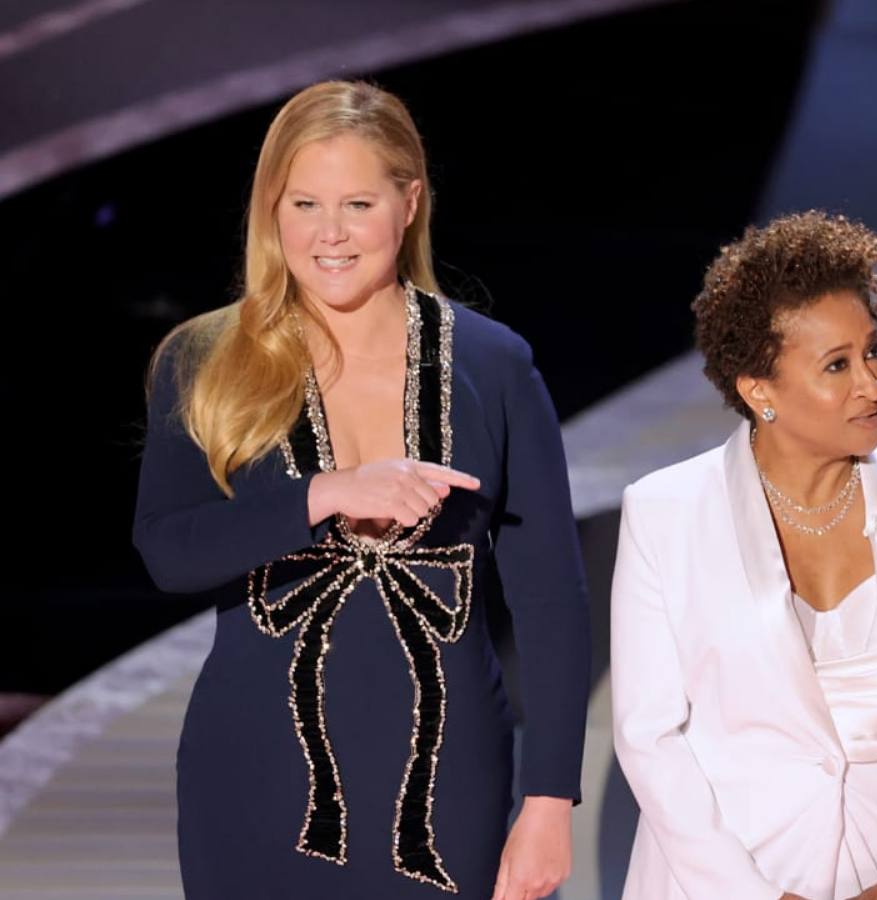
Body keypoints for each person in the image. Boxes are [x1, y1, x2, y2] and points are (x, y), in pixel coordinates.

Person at [132, 81, 588, 899]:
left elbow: (551, 598)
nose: (330, 234)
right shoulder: (203, 360)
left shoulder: (493, 366)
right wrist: (323, 493)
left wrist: (550, 798)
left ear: (409, 204)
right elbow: (169, 550)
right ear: (271, 210)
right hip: (249, 776)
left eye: (357, 203)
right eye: (304, 203)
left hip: (448, 787)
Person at [610, 211, 877, 900]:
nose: (872, 382)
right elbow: (648, 737)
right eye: (837, 365)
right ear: (759, 391)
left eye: (873, 351)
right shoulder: (667, 513)